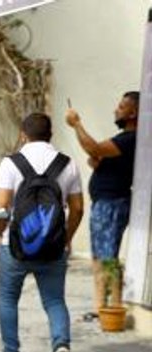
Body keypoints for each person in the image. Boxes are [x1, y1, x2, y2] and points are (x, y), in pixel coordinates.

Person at [0, 112, 83, 352]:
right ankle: (61, 345)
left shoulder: (11, 163)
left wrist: (3, 235)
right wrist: (66, 238)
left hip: (15, 245)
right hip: (54, 246)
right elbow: (77, 208)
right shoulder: (68, 164)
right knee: (55, 300)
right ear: (51, 134)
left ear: (23, 133)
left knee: (8, 298)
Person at [65, 92, 139, 319]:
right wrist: (99, 162)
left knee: (107, 257)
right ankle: (102, 308)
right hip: (106, 203)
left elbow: (94, 148)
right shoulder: (124, 138)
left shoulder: (129, 139)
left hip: (111, 204)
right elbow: (98, 155)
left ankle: (113, 307)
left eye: (121, 106)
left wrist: (76, 124)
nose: (116, 110)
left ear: (133, 113)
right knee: (101, 257)